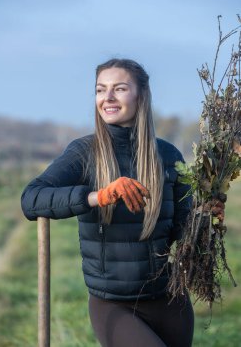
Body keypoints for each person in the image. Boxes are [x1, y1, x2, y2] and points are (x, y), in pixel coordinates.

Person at [21, 58, 195, 347]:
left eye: (120, 88)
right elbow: (31, 198)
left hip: (171, 300)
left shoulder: (168, 155)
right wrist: (96, 196)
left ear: (141, 95)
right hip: (114, 304)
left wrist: (204, 217)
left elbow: (179, 229)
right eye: (101, 90)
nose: (108, 98)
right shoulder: (83, 152)